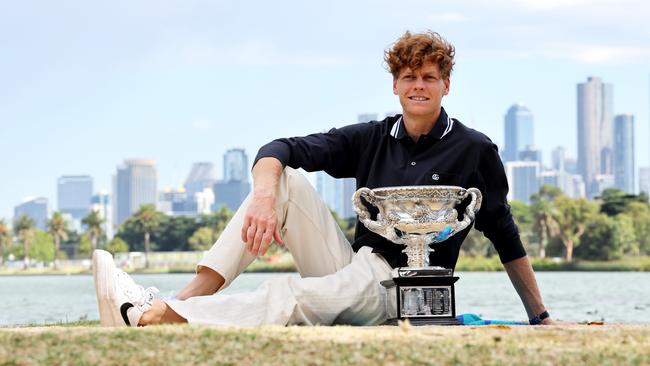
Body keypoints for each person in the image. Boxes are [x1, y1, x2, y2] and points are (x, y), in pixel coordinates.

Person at [93, 30, 554, 327]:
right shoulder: (371, 137)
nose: (419, 85)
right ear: (395, 85)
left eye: (429, 77)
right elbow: (281, 149)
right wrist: (262, 195)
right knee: (286, 183)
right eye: (409, 76)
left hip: (400, 289)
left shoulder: (474, 149)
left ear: (446, 85)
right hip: (356, 266)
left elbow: (504, 233)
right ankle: (180, 299)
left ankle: (160, 316)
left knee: (287, 292)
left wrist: (540, 316)